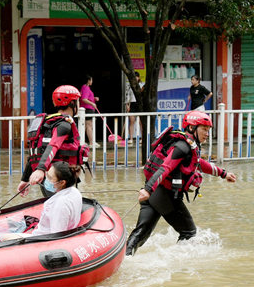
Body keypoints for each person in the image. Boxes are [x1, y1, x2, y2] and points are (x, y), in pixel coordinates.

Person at [125, 111, 237, 255]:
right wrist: (147, 190)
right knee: (189, 232)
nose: (207, 134)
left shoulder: (188, 146)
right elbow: (165, 168)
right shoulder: (182, 147)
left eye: (208, 130)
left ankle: (124, 257)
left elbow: (199, 163)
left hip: (154, 193)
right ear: (191, 128)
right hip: (162, 195)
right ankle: (177, 264)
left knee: (140, 234)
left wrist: (223, 174)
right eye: (204, 129)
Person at [18, 85, 88, 198]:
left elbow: (35, 153)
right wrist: (40, 169)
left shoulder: (47, 123)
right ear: (72, 103)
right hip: (58, 179)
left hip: (47, 179)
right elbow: (53, 146)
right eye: (78, 101)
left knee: (52, 203)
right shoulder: (64, 125)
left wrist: (25, 179)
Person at [29, 162, 83, 236]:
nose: (46, 179)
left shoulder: (61, 204)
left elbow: (57, 234)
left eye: (50, 178)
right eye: (47, 174)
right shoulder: (75, 191)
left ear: (62, 182)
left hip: (41, 238)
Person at [79, 74, 99, 147]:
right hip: (88, 109)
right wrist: (92, 103)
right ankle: (91, 142)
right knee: (89, 126)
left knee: (85, 126)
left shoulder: (85, 87)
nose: (92, 81)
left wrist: (94, 99)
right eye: (91, 80)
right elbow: (84, 99)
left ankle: (82, 141)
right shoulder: (86, 88)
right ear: (88, 80)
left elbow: (87, 98)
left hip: (87, 108)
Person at [124, 72, 144, 143]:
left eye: (136, 77)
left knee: (141, 122)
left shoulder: (142, 85)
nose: (135, 78)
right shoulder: (129, 86)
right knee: (131, 121)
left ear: (139, 77)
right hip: (132, 104)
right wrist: (127, 105)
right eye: (134, 77)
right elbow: (127, 96)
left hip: (139, 104)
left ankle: (142, 138)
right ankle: (131, 138)